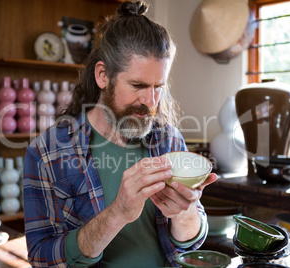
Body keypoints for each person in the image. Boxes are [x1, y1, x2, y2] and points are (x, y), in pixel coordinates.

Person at [23, 1, 217, 267]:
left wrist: (185, 213)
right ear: (103, 75)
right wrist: (117, 213)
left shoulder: (168, 140)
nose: (150, 101)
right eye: (137, 85)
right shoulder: (46, 152)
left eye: (158, 86)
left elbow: (192, 243)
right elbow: (41, 257)